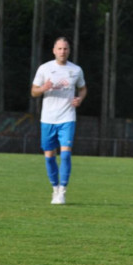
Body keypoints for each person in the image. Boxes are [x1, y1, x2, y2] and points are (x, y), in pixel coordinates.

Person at [31, 37, 87, 205]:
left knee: (66, 154)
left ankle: (62, 190)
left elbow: (83, 89)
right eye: (60, 48)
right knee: (49, 156)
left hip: (67, 117)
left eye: (65, 48)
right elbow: (34, 92)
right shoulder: (44, 68)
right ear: (54, 50)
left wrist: (80, 99)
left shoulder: (76, 70)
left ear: (69, 51)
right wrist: (43, 88)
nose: (63, 51)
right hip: (48, 119)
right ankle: (54, 188)